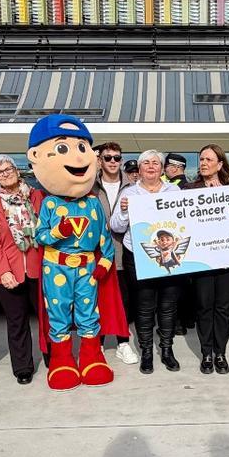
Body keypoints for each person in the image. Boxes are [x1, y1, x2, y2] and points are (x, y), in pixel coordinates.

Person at [29, 116, 120, 390]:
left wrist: (104, 262)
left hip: (86, 268)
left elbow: (104, 238)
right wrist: (59, 232)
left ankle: (91, 358)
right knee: (58, 314)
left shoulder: (93, 204)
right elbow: (40, 236)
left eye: (82, 148)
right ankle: (62, 361)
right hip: (55, 267)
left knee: (88, 313)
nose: (78, 158)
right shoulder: (49, 204)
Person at [110, 150, 183, 373]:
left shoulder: (175, 190)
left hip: (170, 255)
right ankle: (147, 354)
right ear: (139, 169)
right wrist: (123, 212)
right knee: (144, 307)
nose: (151, 166)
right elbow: (116, 226)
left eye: (155, 163)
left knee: (168, 307)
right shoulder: (129, 193)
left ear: (161, 169)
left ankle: (167, 350)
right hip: (139, 255)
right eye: (146, 163)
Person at [182, 144, 229, 374]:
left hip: (228, 260)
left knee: (223, 309)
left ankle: (221, 353)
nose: (204, 163)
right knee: (204, 307)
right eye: (201, 159)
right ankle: (207, 353)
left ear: (220, 164)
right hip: (201, 260)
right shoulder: (188, 190)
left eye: (209, 159)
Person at [0, 155, 40, 384]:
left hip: (38, 267)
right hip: (8, 271)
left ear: (17, 171)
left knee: (47, 318)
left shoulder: (37, 197)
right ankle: (23, 367)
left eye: (9, 169)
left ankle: (53, 357)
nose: (6, 174)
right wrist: (4, 270)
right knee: (17, 322)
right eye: (0, 172)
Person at [90, 143, 138, 365]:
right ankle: (97, 343)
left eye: (116, 158)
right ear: (99, 160)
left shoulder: (133, 187)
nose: (112, 162)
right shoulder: (89, 186)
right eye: (107, 157)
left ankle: (123, 342)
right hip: (95, 255)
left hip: (122, 253)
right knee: (95, 301)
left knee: (124, 300)